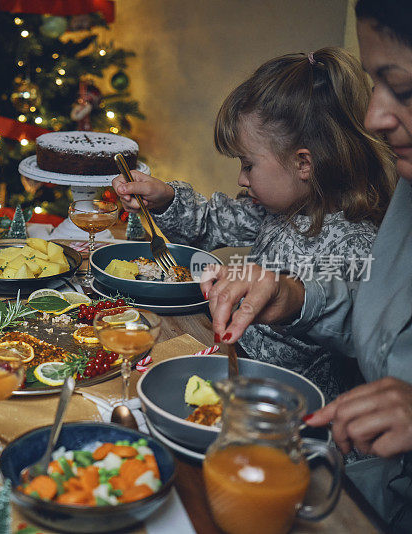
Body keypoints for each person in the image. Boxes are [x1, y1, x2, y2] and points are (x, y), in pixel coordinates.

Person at [197, 0, 412, 528]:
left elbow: (359, 320)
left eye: (401, 88)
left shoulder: (353, 236)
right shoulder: (284, 213)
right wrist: (295, 298)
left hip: (329, 456)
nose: (374, 119)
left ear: (304, 165)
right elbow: (366, 309)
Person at [112, 47, 397, 401]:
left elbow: (357, 328)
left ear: (303, 163)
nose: (242, 179)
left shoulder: (354, 242)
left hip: (289, 407)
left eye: (248, 165)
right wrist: (168, 198)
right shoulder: (275, 208)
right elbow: (210, 223)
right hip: (236, 368)